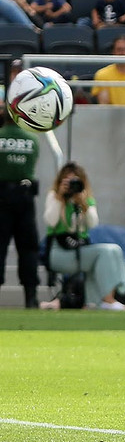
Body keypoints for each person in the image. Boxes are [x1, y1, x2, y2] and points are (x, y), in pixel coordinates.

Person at [43, 162, 125, 311]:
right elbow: (50, 221)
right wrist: (60, 198)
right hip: (58, 253)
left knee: (114, 250)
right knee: (106, 252)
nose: (71, 186)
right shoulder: (54, 196)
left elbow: (93, 223)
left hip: (80, 249)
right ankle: (108, 301)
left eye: (75, 181)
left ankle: (91, 303)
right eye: (67, 181)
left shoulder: (86, 200)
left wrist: (83, 204)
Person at [0, 110, 40, 308]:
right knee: (28, 249)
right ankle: (31, 298)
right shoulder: (33, 140)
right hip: (25, 197)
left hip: (1, 197)